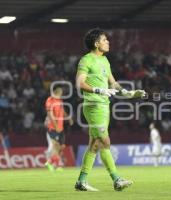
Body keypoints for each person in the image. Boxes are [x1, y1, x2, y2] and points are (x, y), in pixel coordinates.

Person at [75, 28, 146, 192]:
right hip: (94, 106)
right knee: (105, 142)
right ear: (96, 43)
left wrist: (129, 93)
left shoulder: (105, 61)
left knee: (95, 144)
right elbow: (80, 83)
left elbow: (113, 83)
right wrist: (99, 90)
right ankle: (116, 179)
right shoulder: (86, 60)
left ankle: (81, 181)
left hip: (104, 105)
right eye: (105, 40)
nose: (108, 42)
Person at [44, 85, 73, 171]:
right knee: (55, 146)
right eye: (60, 92)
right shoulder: (50, 100)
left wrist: (68, 118)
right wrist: (56, 126)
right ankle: (56, 165)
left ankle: (49, 162)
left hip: (61, 128)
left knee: (62, 146)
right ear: (57, 92)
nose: (61, 93)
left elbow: (62, 111)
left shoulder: (60, 100)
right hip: (52, 127)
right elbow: (50, 114)